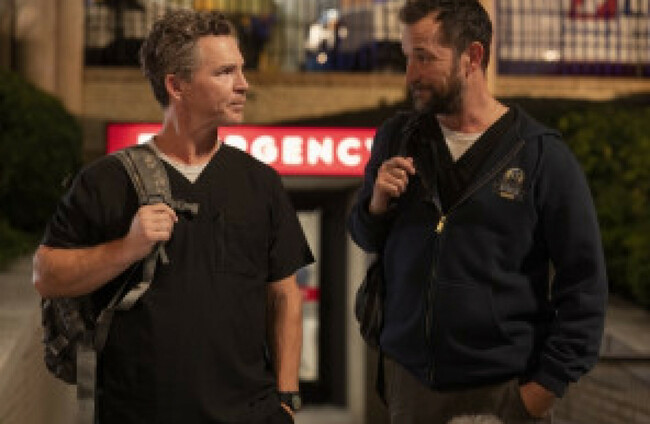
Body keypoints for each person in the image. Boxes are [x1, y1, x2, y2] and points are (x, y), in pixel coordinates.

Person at [33, 10, 313, 424]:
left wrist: (287, 400)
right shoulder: (104, 180)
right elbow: (46, 275)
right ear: (176, 85)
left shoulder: (261, 182)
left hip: (249, 414)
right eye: (224, 72)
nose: (243, 84)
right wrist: (128, 248)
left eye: (240, 69)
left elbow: (284, 295)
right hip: (136, 414)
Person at [347, 1, 607, 423]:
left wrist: (540, 392)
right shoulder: (398, 137)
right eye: (407, 57)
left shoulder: (540, 154)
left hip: (503, 393)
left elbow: (585, 286)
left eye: (424, 58)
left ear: (472, 56)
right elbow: (364, 236)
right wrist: (376, 204)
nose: (410, 74)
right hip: (410, 386)